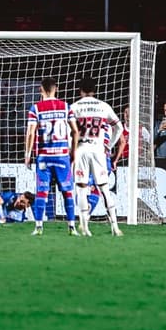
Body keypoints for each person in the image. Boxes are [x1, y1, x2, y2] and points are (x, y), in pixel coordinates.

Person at [24, 77, 80, 236]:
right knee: (67, 191)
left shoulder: (36, 108)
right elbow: (75, 131)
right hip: (62, 156)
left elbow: (30, 133)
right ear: (56, 89)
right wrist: (73, 153)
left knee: (42, 191)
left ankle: (39, 227)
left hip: (44, 157)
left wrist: (27, 155)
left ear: (40, 90)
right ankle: (71, 227)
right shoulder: (66, 107)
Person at [69, 77, 124, 237]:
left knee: (81, 189)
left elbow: (68, 132)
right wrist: (109, 145)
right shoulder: (103, 106)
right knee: (105, 189)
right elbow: (118, 127)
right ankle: (115, 227)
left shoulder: (74, 107)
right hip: (99, 151)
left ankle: (84, 226)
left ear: (80, 91)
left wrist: (70, 150)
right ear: (94, 90)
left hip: (81, 150)